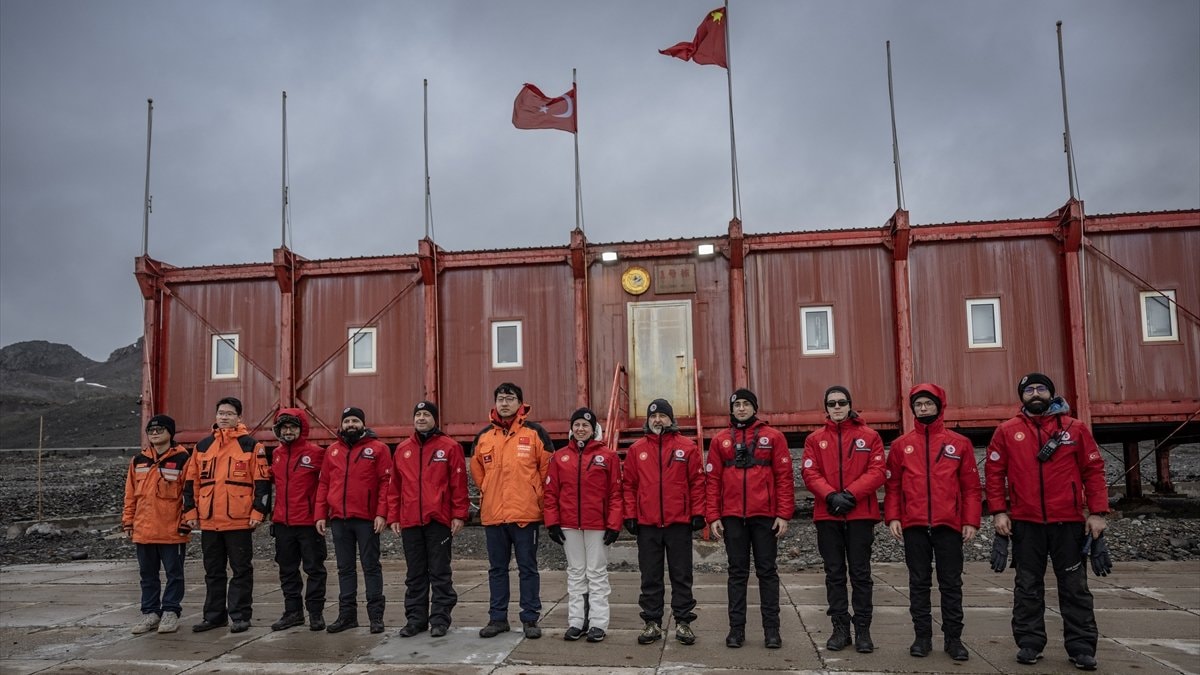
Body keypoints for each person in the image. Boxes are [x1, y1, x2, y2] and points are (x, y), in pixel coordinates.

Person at [985, 373, 1108, 671]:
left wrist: (1097, 513)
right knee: (1027, 586)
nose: (1035, 394)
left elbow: (1093, 471)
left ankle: (1081, 647)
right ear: (1022, 396)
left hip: (1067, 522)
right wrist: (999, 511)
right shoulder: (1006, 430)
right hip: (1026, 523)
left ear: (1051, 393)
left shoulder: (1075, 429)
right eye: (1029, 390)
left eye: (1041, 389)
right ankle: (1029, 643)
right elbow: (993, 473)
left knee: (1074, 587)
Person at [884, 384, 981, 662]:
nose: (923, 408)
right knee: (918, 583)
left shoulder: (959, 443)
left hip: (948, 525)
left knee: (951, 584)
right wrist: (893, 517)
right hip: (914, 525)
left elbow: (972, 488)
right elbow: (893, 487)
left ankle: (954, 640)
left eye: (928, 403)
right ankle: (922, 638)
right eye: (918, 404)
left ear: (939, 406)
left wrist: (971, 520)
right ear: (912, 409)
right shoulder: (902, 445)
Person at [705, 388, 794, 650]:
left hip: (765, 518)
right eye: (737, 404)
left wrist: (783, 514)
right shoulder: (720, 440)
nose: (741, 408)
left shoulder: (773, 437)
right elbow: (712, 482)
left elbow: (784, 478)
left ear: (755, 408)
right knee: (737, 573)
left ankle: (772, 631)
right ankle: (736, 630)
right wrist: (713, 516)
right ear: (731, 409)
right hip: (732, 518)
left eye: (746, 404)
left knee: (767, 573)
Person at [801, 385, 886, 653]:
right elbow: (810, 473)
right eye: (832, 403)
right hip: (828, 516)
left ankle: (863, 631)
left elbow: (878, 470)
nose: (837, 407)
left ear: (850, 405)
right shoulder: (814, 439)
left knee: (861, 575)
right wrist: (830, 497)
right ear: (825, 408)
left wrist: (849, 494)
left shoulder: (870, 436)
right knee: (834, 574)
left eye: (841, 402)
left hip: (860, 514)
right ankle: (840, 629)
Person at [469, 382, 554, 639]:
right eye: (500, 399)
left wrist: (537, 499)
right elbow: (478, 472)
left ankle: (530, 619)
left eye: (510, 398)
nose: (504, 403)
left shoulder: (535, 433)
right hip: (494, 515)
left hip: (525, 515)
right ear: (494, 403)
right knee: (497, 569)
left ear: (520, 403)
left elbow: (547, 471)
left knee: (527, 568)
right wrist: (490, 492)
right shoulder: (483, 437)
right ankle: (497, 619)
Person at [182, 397, 272, 634]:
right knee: (213, 571)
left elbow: (262, 483)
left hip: (239, 521)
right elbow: (191, 482)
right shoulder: (202, 447)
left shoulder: (251, 446)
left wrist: (258, 512)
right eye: (221, 413)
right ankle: (214, 617)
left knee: (241, 570)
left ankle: (240, 616)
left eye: (229, 414)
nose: (224, 417)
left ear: (239, 418)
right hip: (209, 521)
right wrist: (190, 511)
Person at [623, 398, 706, 646]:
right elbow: (629, 486)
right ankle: (652, 622)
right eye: (653, 416)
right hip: (647, 524)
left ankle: (683, 622)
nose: (657, 420)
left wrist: (698, 513)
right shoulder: (637, 450)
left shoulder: (687, 447)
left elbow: (697, 483)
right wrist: (630, 515)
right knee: (650, 576)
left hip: (678, 523)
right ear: (648, 421)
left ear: (671, 419)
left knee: (681, 575)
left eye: (662, 415)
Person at [388, 400, 469, 639]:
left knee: (440, 572)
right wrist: (394, 515)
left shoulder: (450, 447)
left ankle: (440, 620)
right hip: (410, 521)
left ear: (435, 419)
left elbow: (458, 485)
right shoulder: (402, 449)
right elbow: (394, 487)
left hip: (439, 520)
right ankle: (415, 619)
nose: (421, 418)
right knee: (415, 573)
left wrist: (459, 515)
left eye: (426, 415)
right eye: (418, 415)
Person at [544, 407, 623, 643]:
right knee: (576, 573)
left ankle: (598, 623)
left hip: (597, 525)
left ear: (593, 429)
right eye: (576, 425)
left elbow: (615, 494)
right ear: (572, 428)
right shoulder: (559, 457)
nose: (580, 429)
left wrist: (614, 524)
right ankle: (576, 621)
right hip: (569, 525)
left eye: (585, 425)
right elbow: (550, 493)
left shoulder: (608, 457)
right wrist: (552, 523)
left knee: (596, 573)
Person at [315, 406, 391, 634]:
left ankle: (375, 617)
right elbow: (324, 484)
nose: (350, 425)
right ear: (341, 425)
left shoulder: (378, 449)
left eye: (355, 421)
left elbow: (386, 484)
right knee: (344, 568)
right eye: (347, 421)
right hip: (339, 519)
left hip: (367, 519)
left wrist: (381, 513)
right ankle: (347, 616)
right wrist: (320, 514)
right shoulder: (332, 451)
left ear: (363, 424)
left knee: (371, 567)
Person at [122, 414, 191, 635]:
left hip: (171, 530)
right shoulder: (138, 461)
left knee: (174, 574)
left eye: (159, 430)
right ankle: (150, 613)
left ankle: (171, 612)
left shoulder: (183, 459)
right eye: (150, 430)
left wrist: (185, 522)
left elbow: (189, 495)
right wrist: (128, 521)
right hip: (143, 530)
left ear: (170, 433)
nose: (154, 433)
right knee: (147, 575)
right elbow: (130, 495)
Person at [267, 408, 328, 632]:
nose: (289, 431)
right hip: (283, 523)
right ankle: (292, 612)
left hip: (308, 524)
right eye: (284, 427)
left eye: (293, 426)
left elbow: (326, 484)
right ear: (278, 430)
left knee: (314, 569)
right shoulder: (277, 454)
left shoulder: (316, 453)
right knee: (287, 570)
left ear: (301, 429)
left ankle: (315, 613)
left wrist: (322, 515)